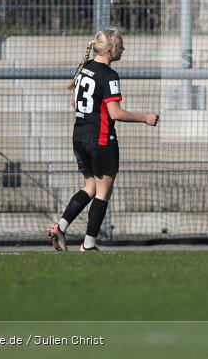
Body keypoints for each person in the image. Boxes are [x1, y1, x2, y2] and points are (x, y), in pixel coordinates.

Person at [47, 27, 159, 252]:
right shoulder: (109, 75)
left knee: (89, 187)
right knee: (102, 192)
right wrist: (145, 118)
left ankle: (61, 226)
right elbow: (115, 113)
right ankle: (88, 244)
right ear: (109, 50)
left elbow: (73, 101)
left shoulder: (85, 68)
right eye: (120, 46)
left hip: (79, 137)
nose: (123, 49)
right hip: (100, 139)